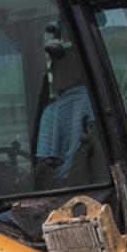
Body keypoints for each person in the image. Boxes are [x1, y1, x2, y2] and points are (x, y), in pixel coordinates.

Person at [34, 31, 94, 176]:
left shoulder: (54, 112)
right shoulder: (98, 100)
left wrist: (21, 183)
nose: (55, 75)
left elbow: (46, 167)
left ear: (77, 71)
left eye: (59, 69)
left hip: (70, 188)